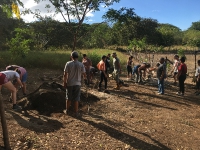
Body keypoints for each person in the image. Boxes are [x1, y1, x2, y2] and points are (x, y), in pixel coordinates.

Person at [63, 51, 86, 117]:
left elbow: (65, 74)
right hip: (78, 83)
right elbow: (84, 74)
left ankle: (67, 110)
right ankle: (76, 113)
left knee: (68, 97)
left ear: (71, 57)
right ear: (77, 57)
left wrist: (64, 83)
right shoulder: (81, 64)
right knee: (76, 98)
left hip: (70, 83)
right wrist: (84, 78)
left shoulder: (68, 63)